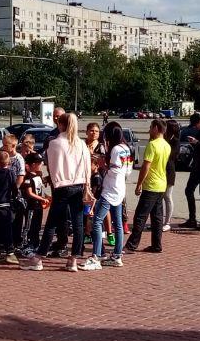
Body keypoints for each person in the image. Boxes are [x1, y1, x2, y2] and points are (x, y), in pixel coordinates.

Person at [35, 112, 93, 271]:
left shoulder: (54, 143)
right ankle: (73, 259)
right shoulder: (81, 144)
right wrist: (87, 184)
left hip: (61, 186)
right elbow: (87, 166)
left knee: (52, 223)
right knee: (78, 223)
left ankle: (39, 257)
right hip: (79, 185)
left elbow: (52, 167)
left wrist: (53, 180)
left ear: (61, 125)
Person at [88, 123, 131, 269]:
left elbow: (114, 170)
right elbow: (127, 171)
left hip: (110, 189)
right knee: (118, 223)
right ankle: (117, 255)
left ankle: (96, 256)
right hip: (120, 188)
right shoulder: (126, 148)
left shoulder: (116, 149)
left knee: (97, 221)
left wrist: (102, 164)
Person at [125, 119, 170, 254]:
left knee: (140, 216)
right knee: (157, 217)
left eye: (151, 127)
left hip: (151, 185)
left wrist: (139, 184)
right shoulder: (166, 145)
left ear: (156, 128)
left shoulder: (152, 145)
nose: (149, 130)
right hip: (161, 183)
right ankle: (156, 245)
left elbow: (146, 166)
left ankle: (132, 244)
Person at [18, 152, 49, 262]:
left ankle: (35, 244)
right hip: (31, 206)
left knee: (37, 226)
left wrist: (46, 197)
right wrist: (42, 199)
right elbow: (30, 193)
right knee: (29, 226)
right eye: (39, 163)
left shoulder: (38, 175)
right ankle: (25, 245)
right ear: (33, 164)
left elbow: (39, 190)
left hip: (38, 206)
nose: (41, 165)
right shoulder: (28, 177)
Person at [162, 119, 180, 232]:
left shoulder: (175, 141)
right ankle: (159, 220)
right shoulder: (163, 139)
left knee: (167, 196)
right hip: (160, 170)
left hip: (169, 171)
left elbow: (172, 155)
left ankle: (167, 222)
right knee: (159, 197)